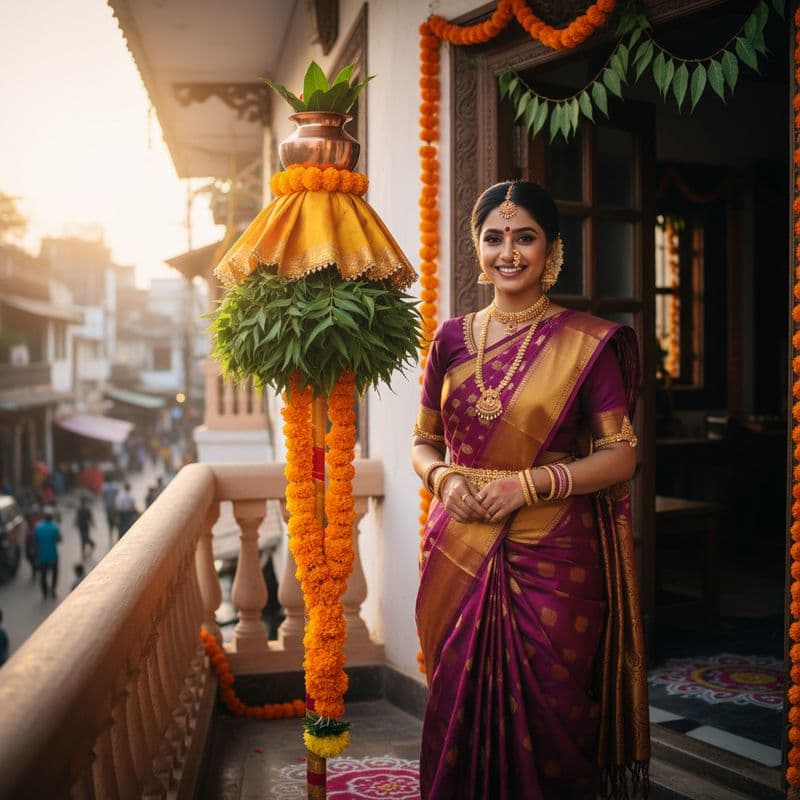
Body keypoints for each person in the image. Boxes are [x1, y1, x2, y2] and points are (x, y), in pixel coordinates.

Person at [412, 181, 649, 800]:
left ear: (552, 251)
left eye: (525, 238)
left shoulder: (586, 344)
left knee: (554, 712)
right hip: (459, 546)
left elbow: (622, 454)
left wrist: (530, 485)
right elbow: (423, 442)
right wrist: (443, 477)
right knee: (456, 700)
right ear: (478, 247)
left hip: (554, 556)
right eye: (494, 238)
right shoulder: (449, 339)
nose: (508, 253)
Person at [33, 508, 62, 599]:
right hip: (53, 555)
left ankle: (45, 593)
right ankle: (53, 590)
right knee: (54, 573)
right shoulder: (54, 527)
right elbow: (59, 539)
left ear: (44, 517)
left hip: (42, 556)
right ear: (51, 517)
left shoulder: (38, 527)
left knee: (43, 575)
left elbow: (35, 541)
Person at [101, 474, 119, 542]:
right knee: (116, 520)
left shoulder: (103, 487)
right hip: (114, 506)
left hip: (107, 507)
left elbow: (103, 497)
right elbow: (117, 494)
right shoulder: (114, 486)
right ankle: (118, 535)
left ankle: (110, 536)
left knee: (109, 522)